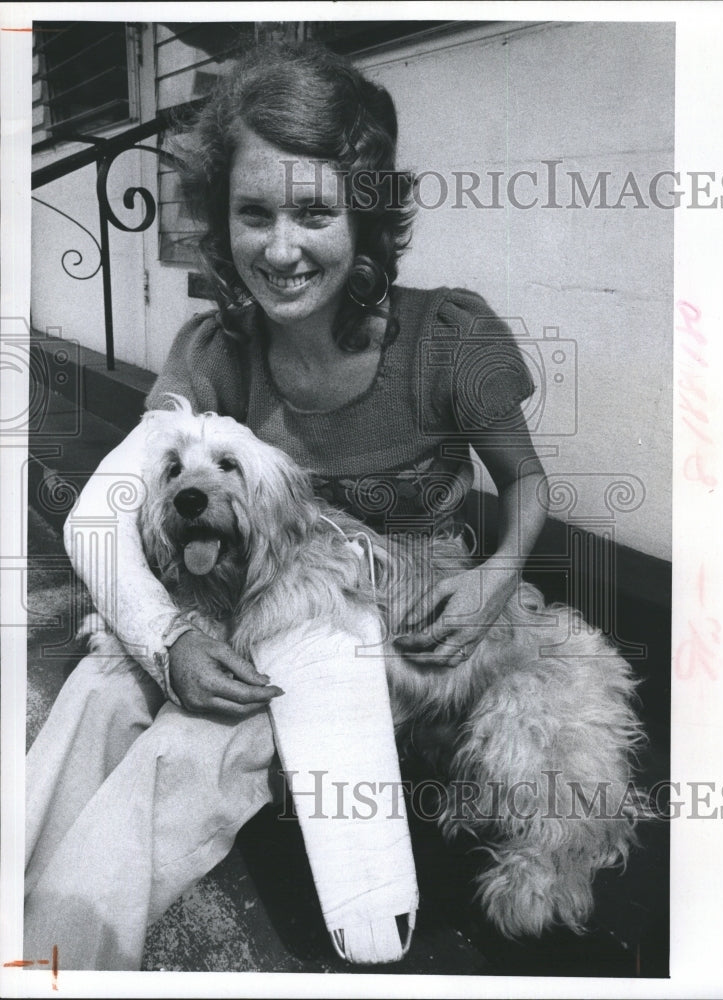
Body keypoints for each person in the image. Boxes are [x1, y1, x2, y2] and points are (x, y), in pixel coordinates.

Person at [24, 40, 549, 970]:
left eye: (314, 212)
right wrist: (168, 639)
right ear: (219, 226)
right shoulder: (215, 352)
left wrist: (496, 580)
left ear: (366, 218)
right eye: (253, 213)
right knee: (103, 685)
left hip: (390, 632)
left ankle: (65, 959)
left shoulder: (446, 339)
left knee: (197, 745)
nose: (280, 247)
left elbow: (528, 485)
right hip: (249, 601)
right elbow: (103, 513)